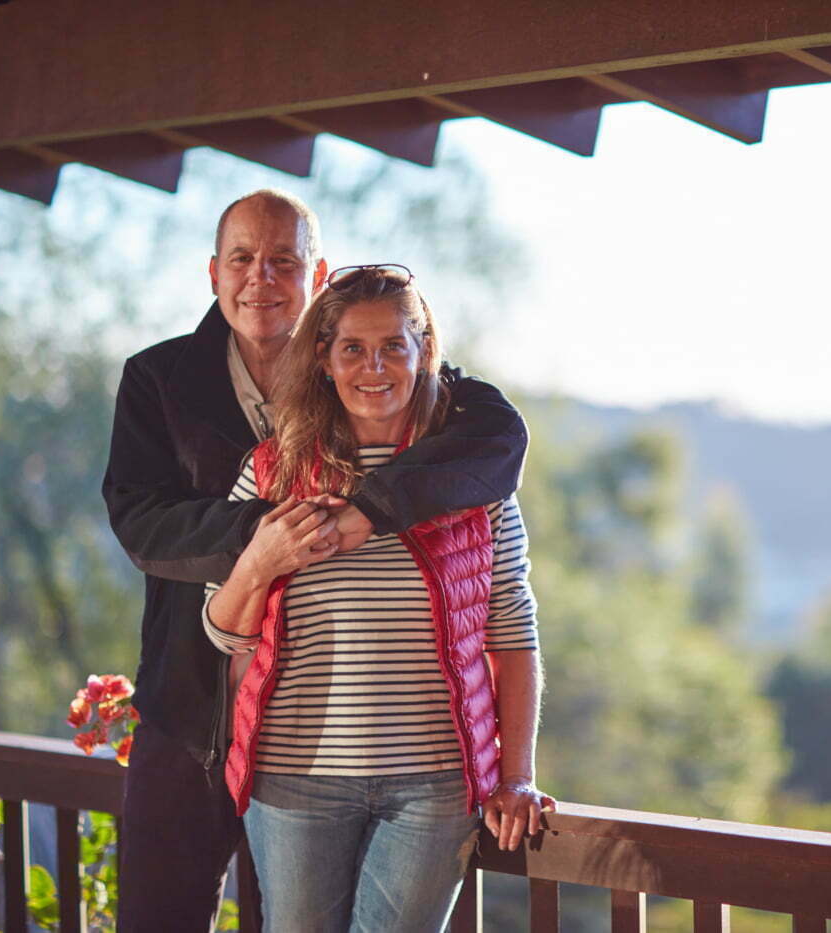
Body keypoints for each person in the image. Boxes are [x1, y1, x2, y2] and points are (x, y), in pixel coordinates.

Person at [103, 191, 530, 933]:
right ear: (213, 272)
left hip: (344, 740)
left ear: (316, 275)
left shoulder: (384, 368)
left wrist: (369, 508)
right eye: (242, 259)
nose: (260, 278)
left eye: (283, 261)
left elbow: (498, 434)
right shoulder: (160, 379)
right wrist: (270, 534)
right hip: (191, 705)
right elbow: (140, 522)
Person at [201, 264, 552, 932]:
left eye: (395, 345)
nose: (375, 365)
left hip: (435, 785)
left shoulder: (473, 478)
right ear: (325, 361)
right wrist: (260, 561)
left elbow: (512, 634)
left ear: (425, 355)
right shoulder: (271, 471)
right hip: (293, 776)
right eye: (353, 348)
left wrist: (517, 776)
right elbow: (223, 629)